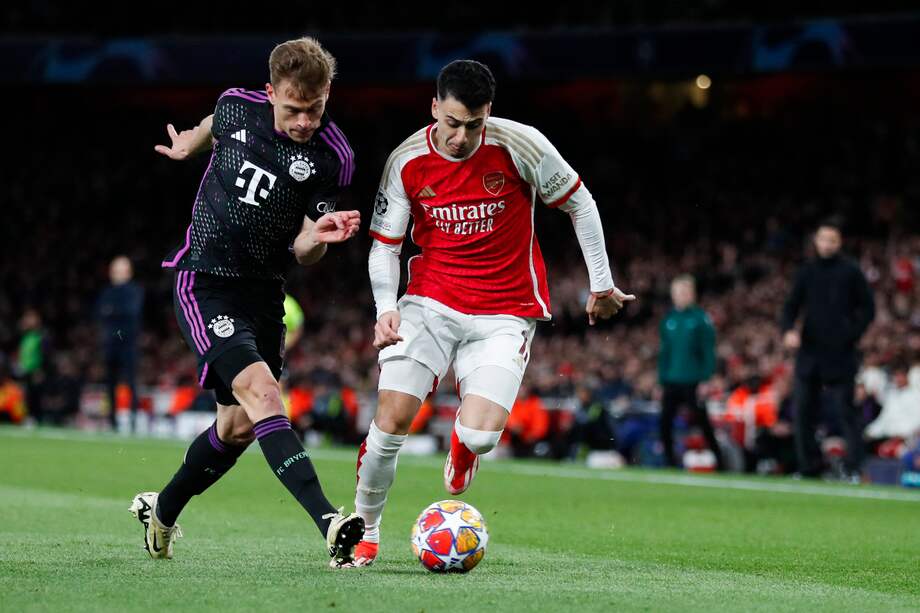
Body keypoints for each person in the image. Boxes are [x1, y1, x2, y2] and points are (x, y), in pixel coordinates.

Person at [343, 59, 634, 568]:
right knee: (390, 422)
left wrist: (602, 283)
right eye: (452, 123)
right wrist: (386, 309)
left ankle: (463, 447)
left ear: (488, 113)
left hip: (505, 310)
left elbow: (581, 203)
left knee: (481, 435)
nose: (461, 137)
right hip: (430, 303)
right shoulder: (407, 160)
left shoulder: (521, 144)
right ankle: (365, 531)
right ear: (435, 108)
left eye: (473, 125)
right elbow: (385, 246)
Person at [128, 37, 365, 567]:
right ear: (270, 93)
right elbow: (213, 121)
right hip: (205, 279)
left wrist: (318, 236)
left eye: (315, 109)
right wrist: (190, 143)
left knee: (236, 428)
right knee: (264, 394)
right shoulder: (237, 105)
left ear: (327, 94)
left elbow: (304, 251)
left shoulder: (334, 155)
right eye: (293, 109)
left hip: (264, 291)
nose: (305, 121)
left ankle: (161, 510)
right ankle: (330, 523)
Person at [781, 217, 874, 479]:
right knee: (803, 411)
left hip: (841, 354)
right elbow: (790, 306)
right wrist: (788, 331)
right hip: (810, 353)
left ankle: (853, 468)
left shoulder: (851, 271)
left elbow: (868, 308)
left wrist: (851, 334)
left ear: (839, 242)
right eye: (823, 239)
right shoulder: (807, 271)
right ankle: (808, 467)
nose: (827, 244)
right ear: (816, 241)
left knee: (846, 412)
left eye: (832, 240)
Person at [657, 275, 722, 469]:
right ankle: (669, 462)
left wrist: (706, 379)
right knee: (665, 421)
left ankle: (720, 460)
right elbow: (664, 352)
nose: (681, 296)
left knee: (702, 422)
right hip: (671, 380)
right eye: (677, 292)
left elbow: (708, 351)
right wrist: (661, 381)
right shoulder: (668, 320)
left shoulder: (701, 319)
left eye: (684, 292)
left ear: (692, 294)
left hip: (693, 380)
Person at [96, 255, 144, 432]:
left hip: (128, 343)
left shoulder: (134, 290)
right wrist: (113, 311)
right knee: (110, 383)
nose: (116, 274)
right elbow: (98, 312)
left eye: (120, 270)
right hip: (111, 343)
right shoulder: (107, 291)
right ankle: (112, 420)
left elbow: (130, 312)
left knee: (131, 382)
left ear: (128, 272)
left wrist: (111, 311)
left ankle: (133, 419)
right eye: (114, 270)